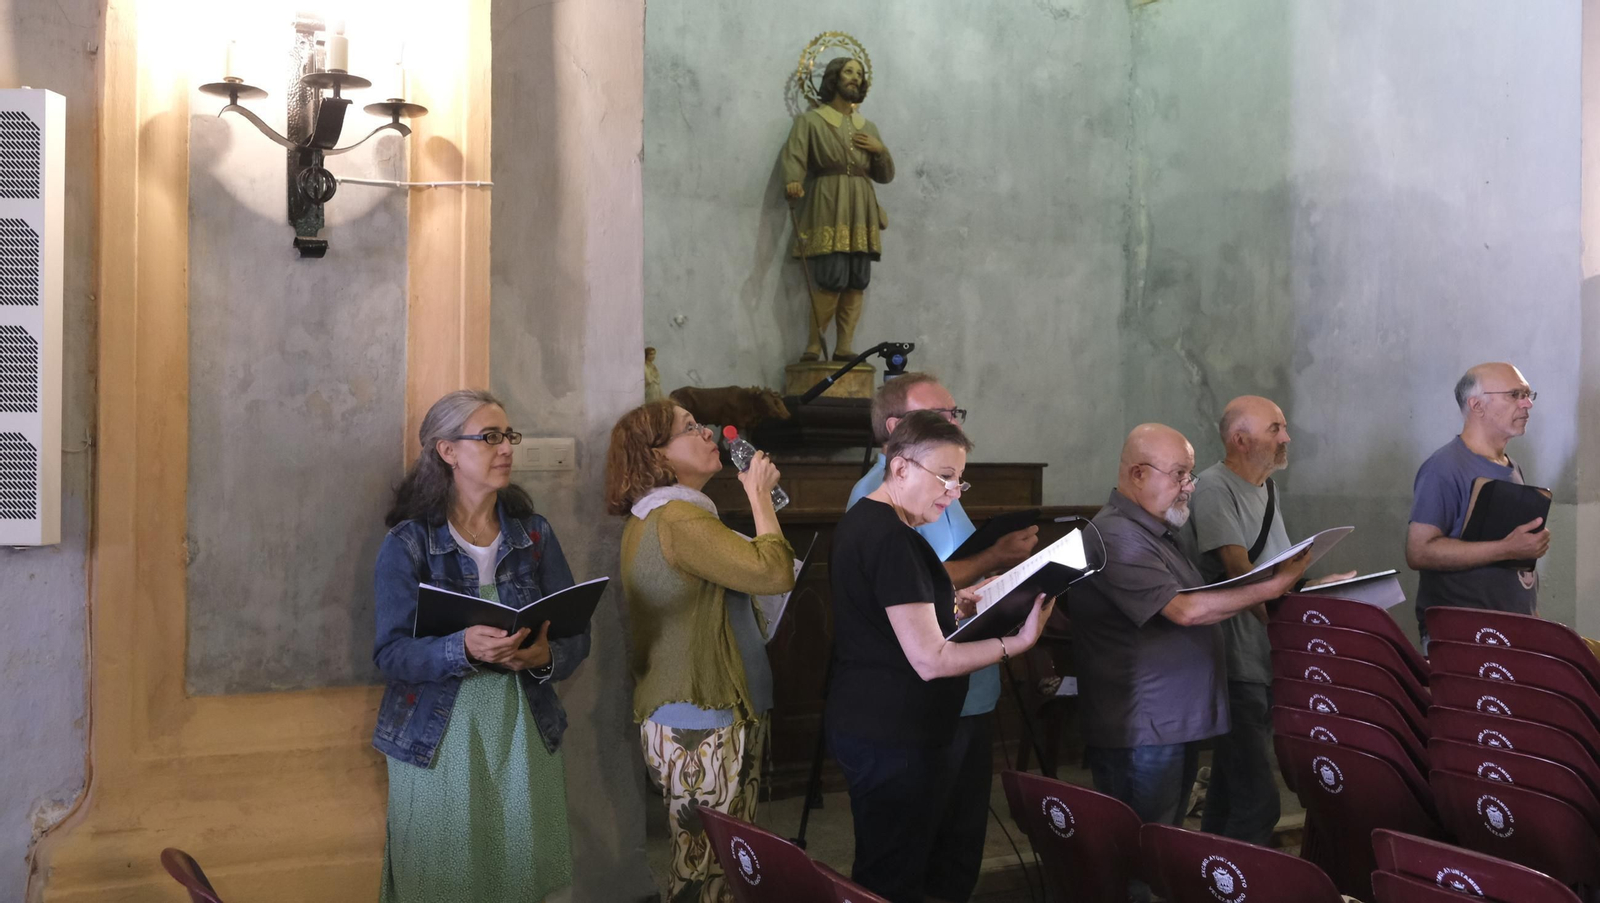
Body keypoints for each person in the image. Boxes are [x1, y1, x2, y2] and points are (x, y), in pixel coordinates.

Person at [1071, 424, 1309, 902]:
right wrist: (1274, 586)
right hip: (1142, 727)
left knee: (1161, 849)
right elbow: (1185, 610)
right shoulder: (1114, 534)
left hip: (1171, 721)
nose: (1190, 486)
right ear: (1138, 474)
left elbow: (1204, 597)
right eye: (1179, 474)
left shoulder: (1158, 530)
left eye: (1190, 473)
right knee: (1138, 858)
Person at [372, 389, 590, 903]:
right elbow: (390, 653)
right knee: (444, 881)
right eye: (489, 437)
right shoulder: (408, 542)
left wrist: (546, 657)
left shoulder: (534, 535)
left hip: (523, 729)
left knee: (519, 878)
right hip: (438, 741)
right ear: (447, 451)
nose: (506, 448)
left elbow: (576, 634)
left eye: (508, 436)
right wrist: (460, 648)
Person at [828, 410, 1055, 903]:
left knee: (892, 865)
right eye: (945, 477)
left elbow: (886, 615)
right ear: (901, 467)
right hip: (893, 733)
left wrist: (964, 600)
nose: (953, 493)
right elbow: (929, 659)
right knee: (893, 877)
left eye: (959, 482)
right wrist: (1015, 644)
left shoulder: (868, 521)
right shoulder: (892, 538)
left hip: (875, 723)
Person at [604, 399, 795, 903]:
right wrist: (759, 497)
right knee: (707, 873)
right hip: (699, 720)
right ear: (658, 456)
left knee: (726, 868)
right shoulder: (677, 519)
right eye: (691, 429)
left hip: (709, 714)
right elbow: (773, 571)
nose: (709, 433)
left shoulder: (675, 515)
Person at [1181, 396, 1353, 845]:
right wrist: (1289, 625)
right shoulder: (1215, 488)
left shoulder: (1268, 489)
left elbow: (1279, 575)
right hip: (1233, 659)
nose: (1286, 438)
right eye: (1275, 429)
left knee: (1227, 790)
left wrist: (1317, 587)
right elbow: (1241, 572)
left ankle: (1205, 878)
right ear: (1240, 439)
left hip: (1262, 654)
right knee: (1258, 800)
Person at [1406, 362, 1548, 642]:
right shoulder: (1444, 468)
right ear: (1477, 405)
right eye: (1515, 395)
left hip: (1513, 632)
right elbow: (1419, 552)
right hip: (1465, 638)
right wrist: (1506, 549)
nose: (1527, 404)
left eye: (1529, 394)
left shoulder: (1511, 467)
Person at [780, 56, 895, 362]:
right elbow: (795, 156)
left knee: (858, 277)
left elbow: (884, 176)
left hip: (861, 207)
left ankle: (844, 346)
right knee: (831, 276)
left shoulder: (868, 127)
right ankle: (814, 345)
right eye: (848, 72)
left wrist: (880, 150)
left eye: (859, 73)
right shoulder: (811, 121)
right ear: (834, 78)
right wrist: (793, 181)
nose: (855, 78)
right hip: (829, 201)